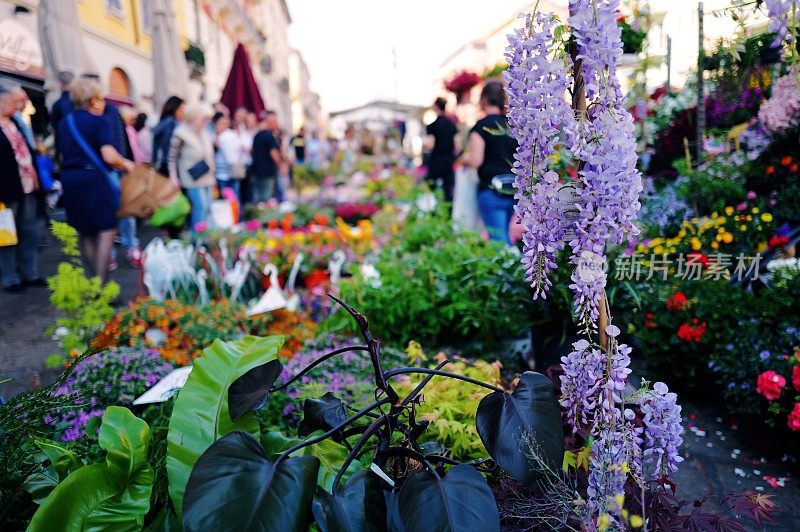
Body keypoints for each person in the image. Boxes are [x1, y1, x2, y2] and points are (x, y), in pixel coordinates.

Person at [57, 77, 134, 282]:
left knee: (85, 231)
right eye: (100, 98)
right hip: (93, 179)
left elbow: (61, 155)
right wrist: (127, 164)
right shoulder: (100, 122)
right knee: (106, 229)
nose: (103, 103)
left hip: (70, 179)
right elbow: (109, 156)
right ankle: (101, 286)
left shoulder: (66, 122)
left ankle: (94, 283)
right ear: (92, 100)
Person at [0, 81, 44, 292]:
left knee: (30, 231)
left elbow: (26, 153)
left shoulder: (15, 123)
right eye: (13, 101)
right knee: (6, 234)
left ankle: (30, 273)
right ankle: (10, 277)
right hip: (5, 189)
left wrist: (35, 176)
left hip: (27, 186)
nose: (18, 106)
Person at [462, 81, 518, 245]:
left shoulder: (481, 127)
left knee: (498, 242)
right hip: (513, 189)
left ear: (484, 101)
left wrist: (462, 160)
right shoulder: (511, 126)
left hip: (491, 190)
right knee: (507, 237)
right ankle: (516, 268)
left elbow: (475, 160)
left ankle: (511, 270)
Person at [168, 103, 215, 232]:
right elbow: (172, 157)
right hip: (192, 178)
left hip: (208, 177)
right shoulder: (180, 132)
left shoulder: (204, 132)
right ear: (194, 117)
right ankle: (196, 238)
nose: (206, 122)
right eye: (203, 118)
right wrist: (173, 176)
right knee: (201, 207)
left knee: (208, 208)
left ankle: (204, 237)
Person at [424, 97, 459, 202]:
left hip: (436, 160)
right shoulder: (452, 125)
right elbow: (457, 146)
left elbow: (430, 145)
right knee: (448, 190)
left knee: (432, 188)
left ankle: (434, 213)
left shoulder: (433, 126)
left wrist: (423, 145)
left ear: (435, 107)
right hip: (448, 161)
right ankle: (447, 213)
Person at [250, 110, 283, 203]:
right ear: (270, 123)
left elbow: (252, 151)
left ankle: (256, 215)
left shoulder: (257, 135)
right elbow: (274, 153)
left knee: (258, 197)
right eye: (275, 122)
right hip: (267, 171)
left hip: (256, 170)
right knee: (266, 197)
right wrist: (280, 165)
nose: (277, 125)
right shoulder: (269, 136)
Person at [152, 96, 185, 175]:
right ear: (174, 109)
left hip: (163, 163)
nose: (183, 112)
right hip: (168, 164)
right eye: (181, 109)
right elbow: (169, 145)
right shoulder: (171, 122)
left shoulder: (165, 121)